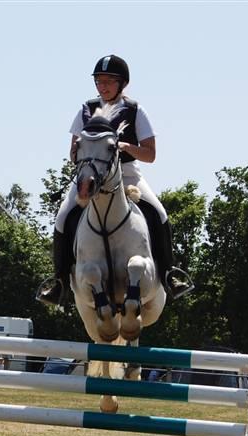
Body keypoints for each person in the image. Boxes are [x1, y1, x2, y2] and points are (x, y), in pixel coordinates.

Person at [37, 54, 186, 307]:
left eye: (108, 81)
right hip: (91, 173)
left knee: (159, 213)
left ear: (122, 83)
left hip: (126, 173)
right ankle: (60, 281)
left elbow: (150, 155)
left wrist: (126, 146)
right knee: (63, 216)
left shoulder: (135, 110)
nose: (102, 86)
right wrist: (84, 154)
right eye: (99, 81)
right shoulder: (86, 109)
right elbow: (73, 151)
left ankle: (169, 274)